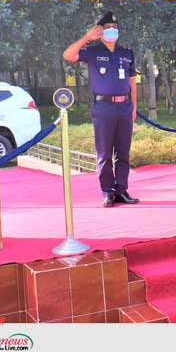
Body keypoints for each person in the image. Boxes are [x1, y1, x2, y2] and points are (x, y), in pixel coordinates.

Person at [63, 11, 139, 207]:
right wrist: (87, 37)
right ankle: (108, 191)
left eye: (114, 28)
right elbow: (68, 55)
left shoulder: (126, 53)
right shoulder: (93, 51)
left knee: (123, 152)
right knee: (104, 152)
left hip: (124, 106)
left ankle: (122, 190)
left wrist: (134, 106)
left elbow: (132, 81)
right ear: (100, 31)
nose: (112, 31)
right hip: (103, 106)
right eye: (107, 29)